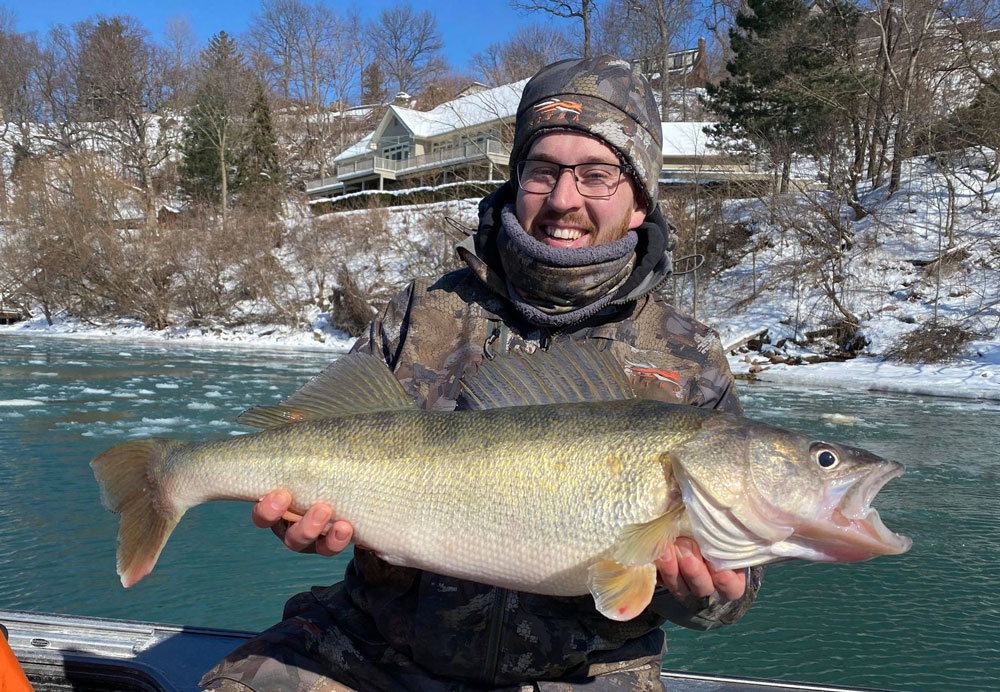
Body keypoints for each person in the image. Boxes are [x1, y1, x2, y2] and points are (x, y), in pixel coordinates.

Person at [201, 55, 762, 692]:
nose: (563, 199)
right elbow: (314, 433)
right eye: (542, 170)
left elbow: (730, 600)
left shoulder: (689, 354)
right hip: (378, 648)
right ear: (516, 177)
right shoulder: (422, 312)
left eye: (598, 175)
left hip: (582, 672)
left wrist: (705, 593)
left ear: (639, 202)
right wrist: (303, 522)